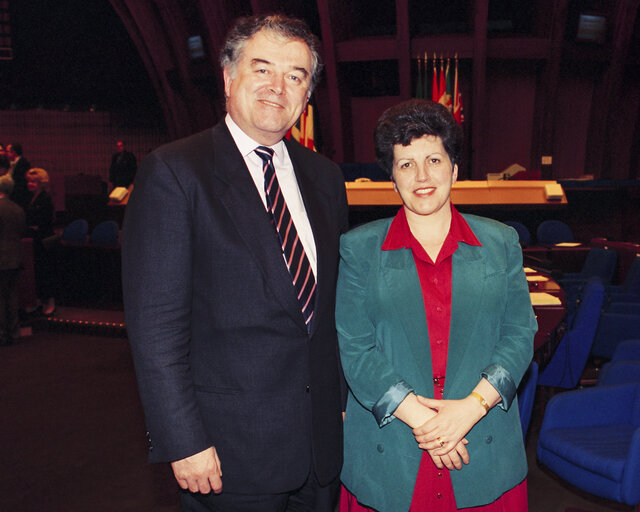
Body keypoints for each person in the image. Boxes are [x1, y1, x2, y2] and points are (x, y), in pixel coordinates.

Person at [122, 14, 348, 512]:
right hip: (228, 454)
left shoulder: (326, 178)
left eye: (296, 76)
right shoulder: (176, 172)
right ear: (228, 78)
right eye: (262, 68)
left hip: (321, 448)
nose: (277, 87)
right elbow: (155, 325)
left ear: (307, 95)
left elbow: (326, 313)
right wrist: (183, 439)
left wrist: (343, 404)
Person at [336, 99, 537, 512]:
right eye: (406, 164)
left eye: (433, 159)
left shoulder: (501, 243)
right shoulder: (358, 249)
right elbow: (356, 350)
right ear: (391, 177)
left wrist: (468, 410)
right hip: (391, 447)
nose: (422, 176)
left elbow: (519, 333)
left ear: (454, 168)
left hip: (481, 443)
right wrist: (430, 424)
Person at [24, 168, 56, 316]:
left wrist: (33, 226)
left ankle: (49, 302)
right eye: (29, 181)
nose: (30, 184)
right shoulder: (32, 197)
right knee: (36, 272)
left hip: (43, 241)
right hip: (34, 241)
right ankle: (36, 300)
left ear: (41, 183)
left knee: (45, 273)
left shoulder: (45, 198)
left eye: (33, 181)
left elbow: (43, 222)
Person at [0, 174, 27, 345]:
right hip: (16, 257)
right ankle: (14, 332)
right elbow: (22, 232)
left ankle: (2, 333)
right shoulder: (18, 209)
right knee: (12, 296)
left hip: (1, 259)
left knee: (0, 298)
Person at [6, 143, 32, 209]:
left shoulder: (23, 163)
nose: (6, 154)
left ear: (13, 152)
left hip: (19, 198)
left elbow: (21, 183)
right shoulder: (12, 163)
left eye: (7, 151)